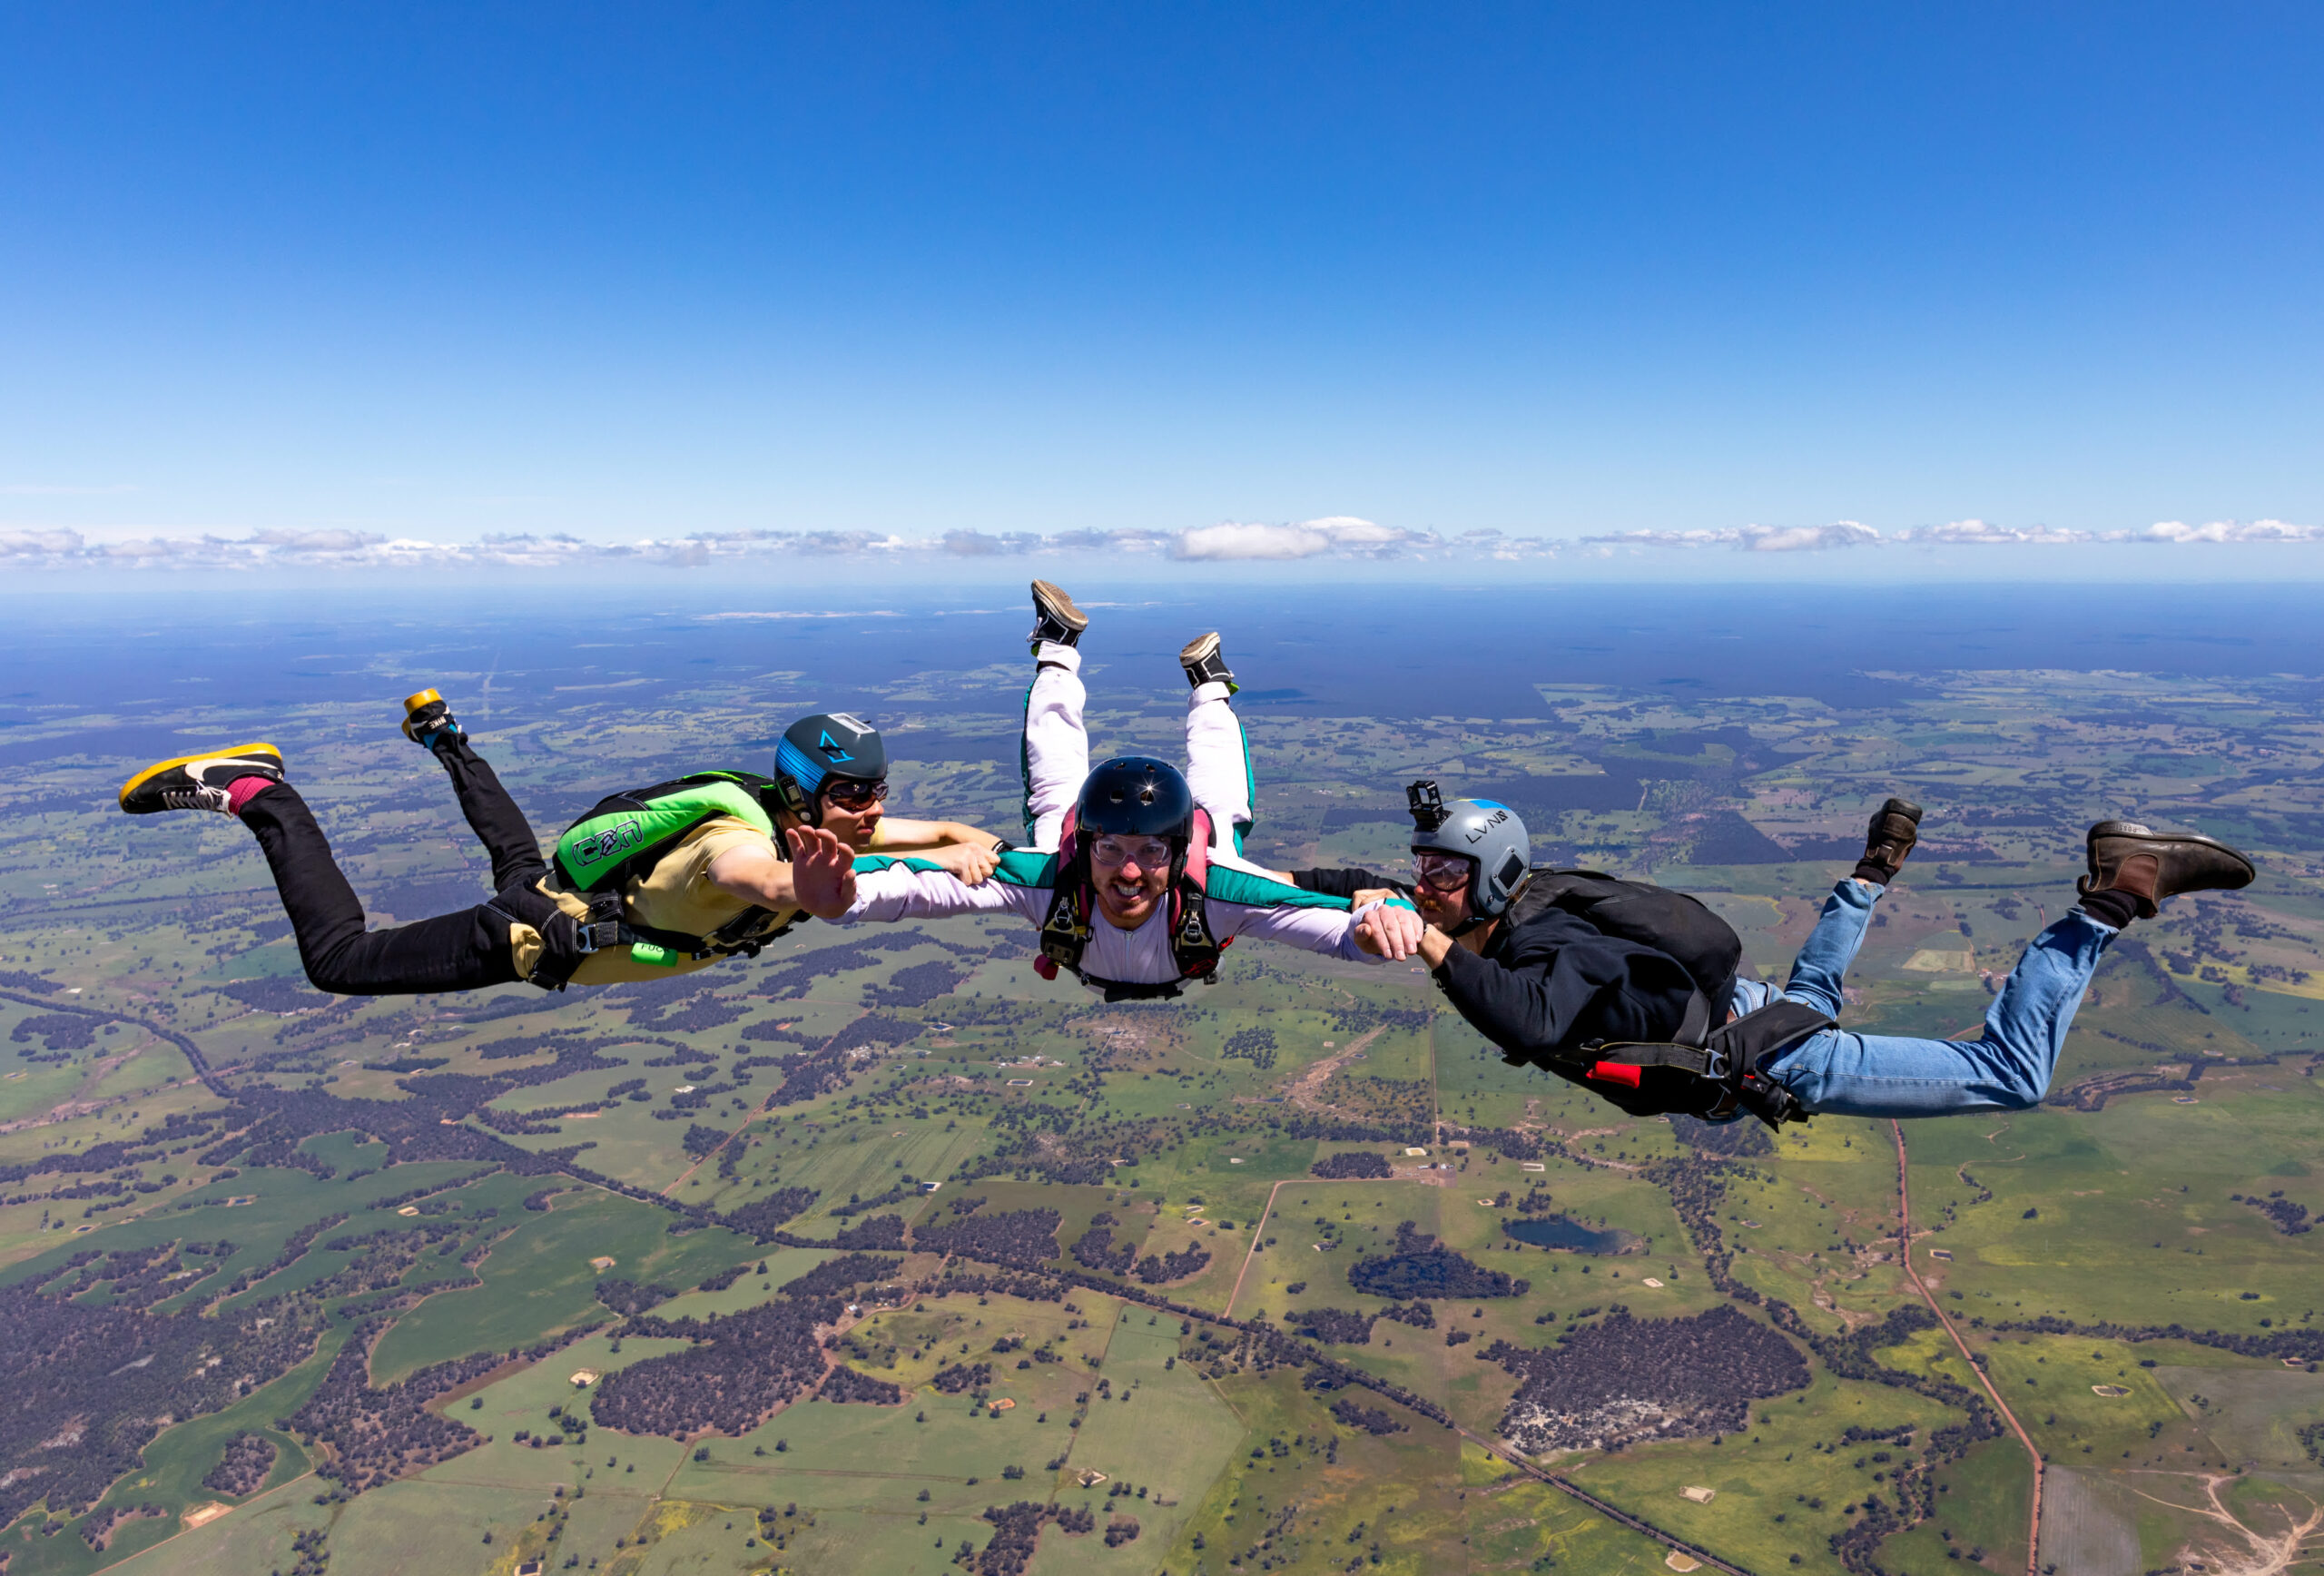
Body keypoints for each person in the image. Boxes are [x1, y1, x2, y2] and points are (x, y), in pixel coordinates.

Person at [1337, 786, 2256, 1123]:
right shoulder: (1507, 900)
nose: (1422, 888)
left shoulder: (1547, 943)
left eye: (1438, 876)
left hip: (1766, 1051)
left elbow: (1529, 1019)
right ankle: (1869, 872)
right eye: (1418, 872)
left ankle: (2115, 890)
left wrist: (1421, 940)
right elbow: (1354, 879)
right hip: (1741, 1007)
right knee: (1812, 989)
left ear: (1484, 876)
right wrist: (1237, 871)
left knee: (2011, 1074)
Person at [116, 694, 1006, 995]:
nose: (872, 807)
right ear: (810, 794)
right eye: (853, 792)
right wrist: (817, 892)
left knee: (513, 850)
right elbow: (766, 883)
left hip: (565, 895)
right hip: (528, 937)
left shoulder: (798, 814)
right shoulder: (740, 849)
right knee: (340, 961)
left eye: (877, 789)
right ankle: (262, 793)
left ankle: (443, 735)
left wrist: (958, 837)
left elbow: (899, 832)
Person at [831, 583, 1424, 999]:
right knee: (1189, 807)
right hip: (1090, 867)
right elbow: (914, 889)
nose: (1131, 873)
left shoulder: (1216, 885)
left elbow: (1335, 925)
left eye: (1151, 852)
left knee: (1206, 814)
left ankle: (1088, 653)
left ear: (1175, 850)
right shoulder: (1047, 875)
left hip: (1165, 872)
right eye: (1111, 849)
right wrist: (838, 891)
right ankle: (1199, 681)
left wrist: (1383, 922)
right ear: (1085, 845)